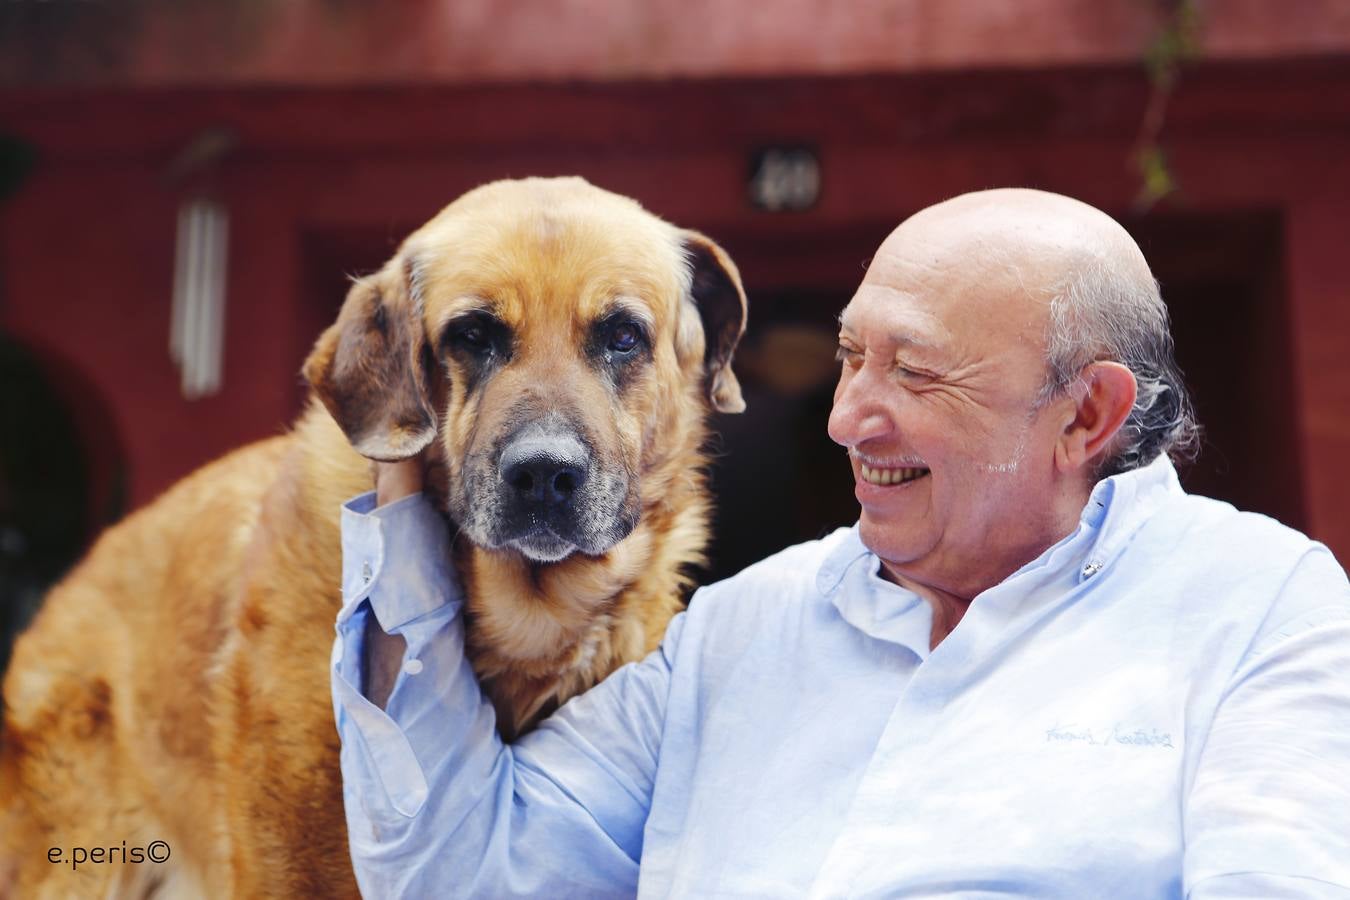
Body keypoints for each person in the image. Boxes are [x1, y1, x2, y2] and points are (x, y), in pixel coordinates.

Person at [331, 189, 1350, 898]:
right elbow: (450, 872)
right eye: (853, 356)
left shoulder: (1255, 607)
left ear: (1085, 417)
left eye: (915, 374)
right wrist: (405, 477)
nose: (845, 417)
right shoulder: (743, 629)